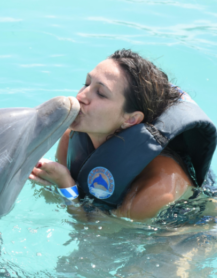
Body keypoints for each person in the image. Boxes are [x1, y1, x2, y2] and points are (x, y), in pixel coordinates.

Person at [29, 49, 216, 222]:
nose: (81, 96)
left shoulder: (159, 184)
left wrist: (65, 185)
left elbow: (97, 237)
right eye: (86, 84)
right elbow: (61, 201)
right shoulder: (71, 137)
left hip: (194, 228)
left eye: (101, 93)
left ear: (131, 119)